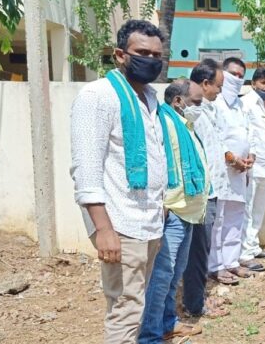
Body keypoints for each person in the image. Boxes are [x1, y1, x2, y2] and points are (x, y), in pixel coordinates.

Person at [70, 20, 167, 343]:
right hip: (121, 224)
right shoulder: (98, 96)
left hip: (149, 222)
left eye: (157, 55)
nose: (151, 59)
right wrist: (104, 230)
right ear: (119, 55)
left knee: (134, 306)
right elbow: (85, 170)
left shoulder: (152, 100)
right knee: (125, 309)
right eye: (142, 52)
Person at [138, 79, 209, 343]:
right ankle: (150, 335)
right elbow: (157, 163)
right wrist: (162, 202)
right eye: (197, 102)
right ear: (178, 101)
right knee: (161, 277)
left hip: (188, 209)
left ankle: (167, 324)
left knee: (173, 275)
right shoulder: (163, 124)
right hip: (174, 208)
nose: (200, 107)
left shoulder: (184, 125)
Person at [182, 58, 232, 315]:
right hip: (201, 193)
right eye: (218, 86)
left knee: (201, 249)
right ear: (204, 83)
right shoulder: (193, 112)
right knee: (197, 253)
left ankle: (196, 298)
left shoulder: (208, 110)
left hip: (211, 191)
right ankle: (194, 304)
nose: (220, 91)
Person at [207, 57, 256, 284]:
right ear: (223, 74)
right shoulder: (214, 104)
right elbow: (214, 136)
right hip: (221, 171)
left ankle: (232, 261)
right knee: (219, 218)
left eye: (241, 75)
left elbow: (249, 134)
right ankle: (215, 265)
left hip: (241, 172)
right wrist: (230, 157)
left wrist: (250, 156)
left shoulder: (241, 106)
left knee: (236, 217)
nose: (237, 78)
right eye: (233, 74)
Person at [239, 67, 265, 273]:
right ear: (254, 83)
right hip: (252, 165)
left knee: (258, 210)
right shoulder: (246, 103)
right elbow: (246, 133)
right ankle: (244, 254)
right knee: (247, 208)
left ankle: (253, 247)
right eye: (263, 82)